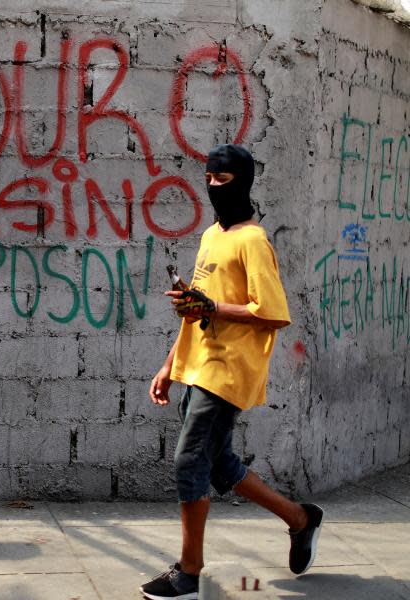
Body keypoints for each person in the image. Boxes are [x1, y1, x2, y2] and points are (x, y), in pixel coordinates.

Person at [139, 144, 323, 600]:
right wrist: (168, 365)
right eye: (208, 179)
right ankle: (300, 519)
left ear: (242, 182)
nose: (212, 187)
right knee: (219, 464)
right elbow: (196, 311)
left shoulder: (252, 240)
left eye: (222, 180)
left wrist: (213, 306)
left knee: (189, 462)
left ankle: (189, 571)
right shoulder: (210, 237)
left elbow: (272, 311)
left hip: (229, 370)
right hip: (198, 365)